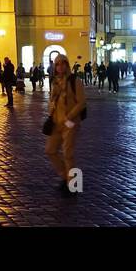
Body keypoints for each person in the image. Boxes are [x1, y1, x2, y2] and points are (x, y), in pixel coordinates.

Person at [45, 54, 86, 195]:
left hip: (70, 122)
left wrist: (69, 117)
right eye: (57, 64)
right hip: (56, 122)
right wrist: (50, 113)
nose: (60, 67)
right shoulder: (55, 82)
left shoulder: (75, 81)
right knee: (50, 150)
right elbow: (52, 101)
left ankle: (74, 186)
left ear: (67, 65)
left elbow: (82, 103)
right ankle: (66, 177)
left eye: (63, 64)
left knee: (68, 154)